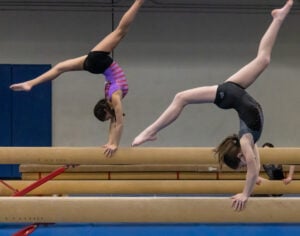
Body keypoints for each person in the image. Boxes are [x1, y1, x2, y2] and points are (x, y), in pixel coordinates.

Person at [132, 0, 293, 211]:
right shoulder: (248, 143)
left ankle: (150, 131)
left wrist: (246, 194)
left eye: (241, 163)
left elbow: (253, 170)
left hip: (231, 95)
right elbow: (255, 167)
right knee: (262, 59)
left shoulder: (246, 143)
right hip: (235, 92)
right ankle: (278, 18)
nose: (246, 164)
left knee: (181, 98)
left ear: (239, 154)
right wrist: (252, 180)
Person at [10, 0, 145, 157]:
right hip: (98, 63)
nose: (110, 117)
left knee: (120, 32)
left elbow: (118, 122)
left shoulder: (114, 97)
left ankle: (30, 83)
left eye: (107, 116)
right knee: (62, 66)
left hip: (99, 62)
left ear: (106, 109)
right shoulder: (113, 98)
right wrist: (112, 143)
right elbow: (116, 122)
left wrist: (113, 143)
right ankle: (30, 83)